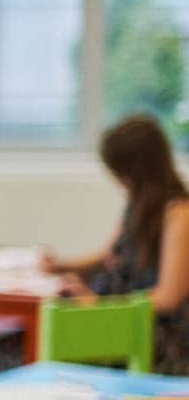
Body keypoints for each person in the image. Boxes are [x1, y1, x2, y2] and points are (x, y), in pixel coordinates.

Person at [45, 113, 189, 373]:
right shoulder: (139, 206)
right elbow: (107, 256)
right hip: (115, 315)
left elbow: (168, 297)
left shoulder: (178, 214)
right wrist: (58, 267)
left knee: (39, 345)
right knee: (19, 339)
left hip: (151, 332)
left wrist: (102, 308)